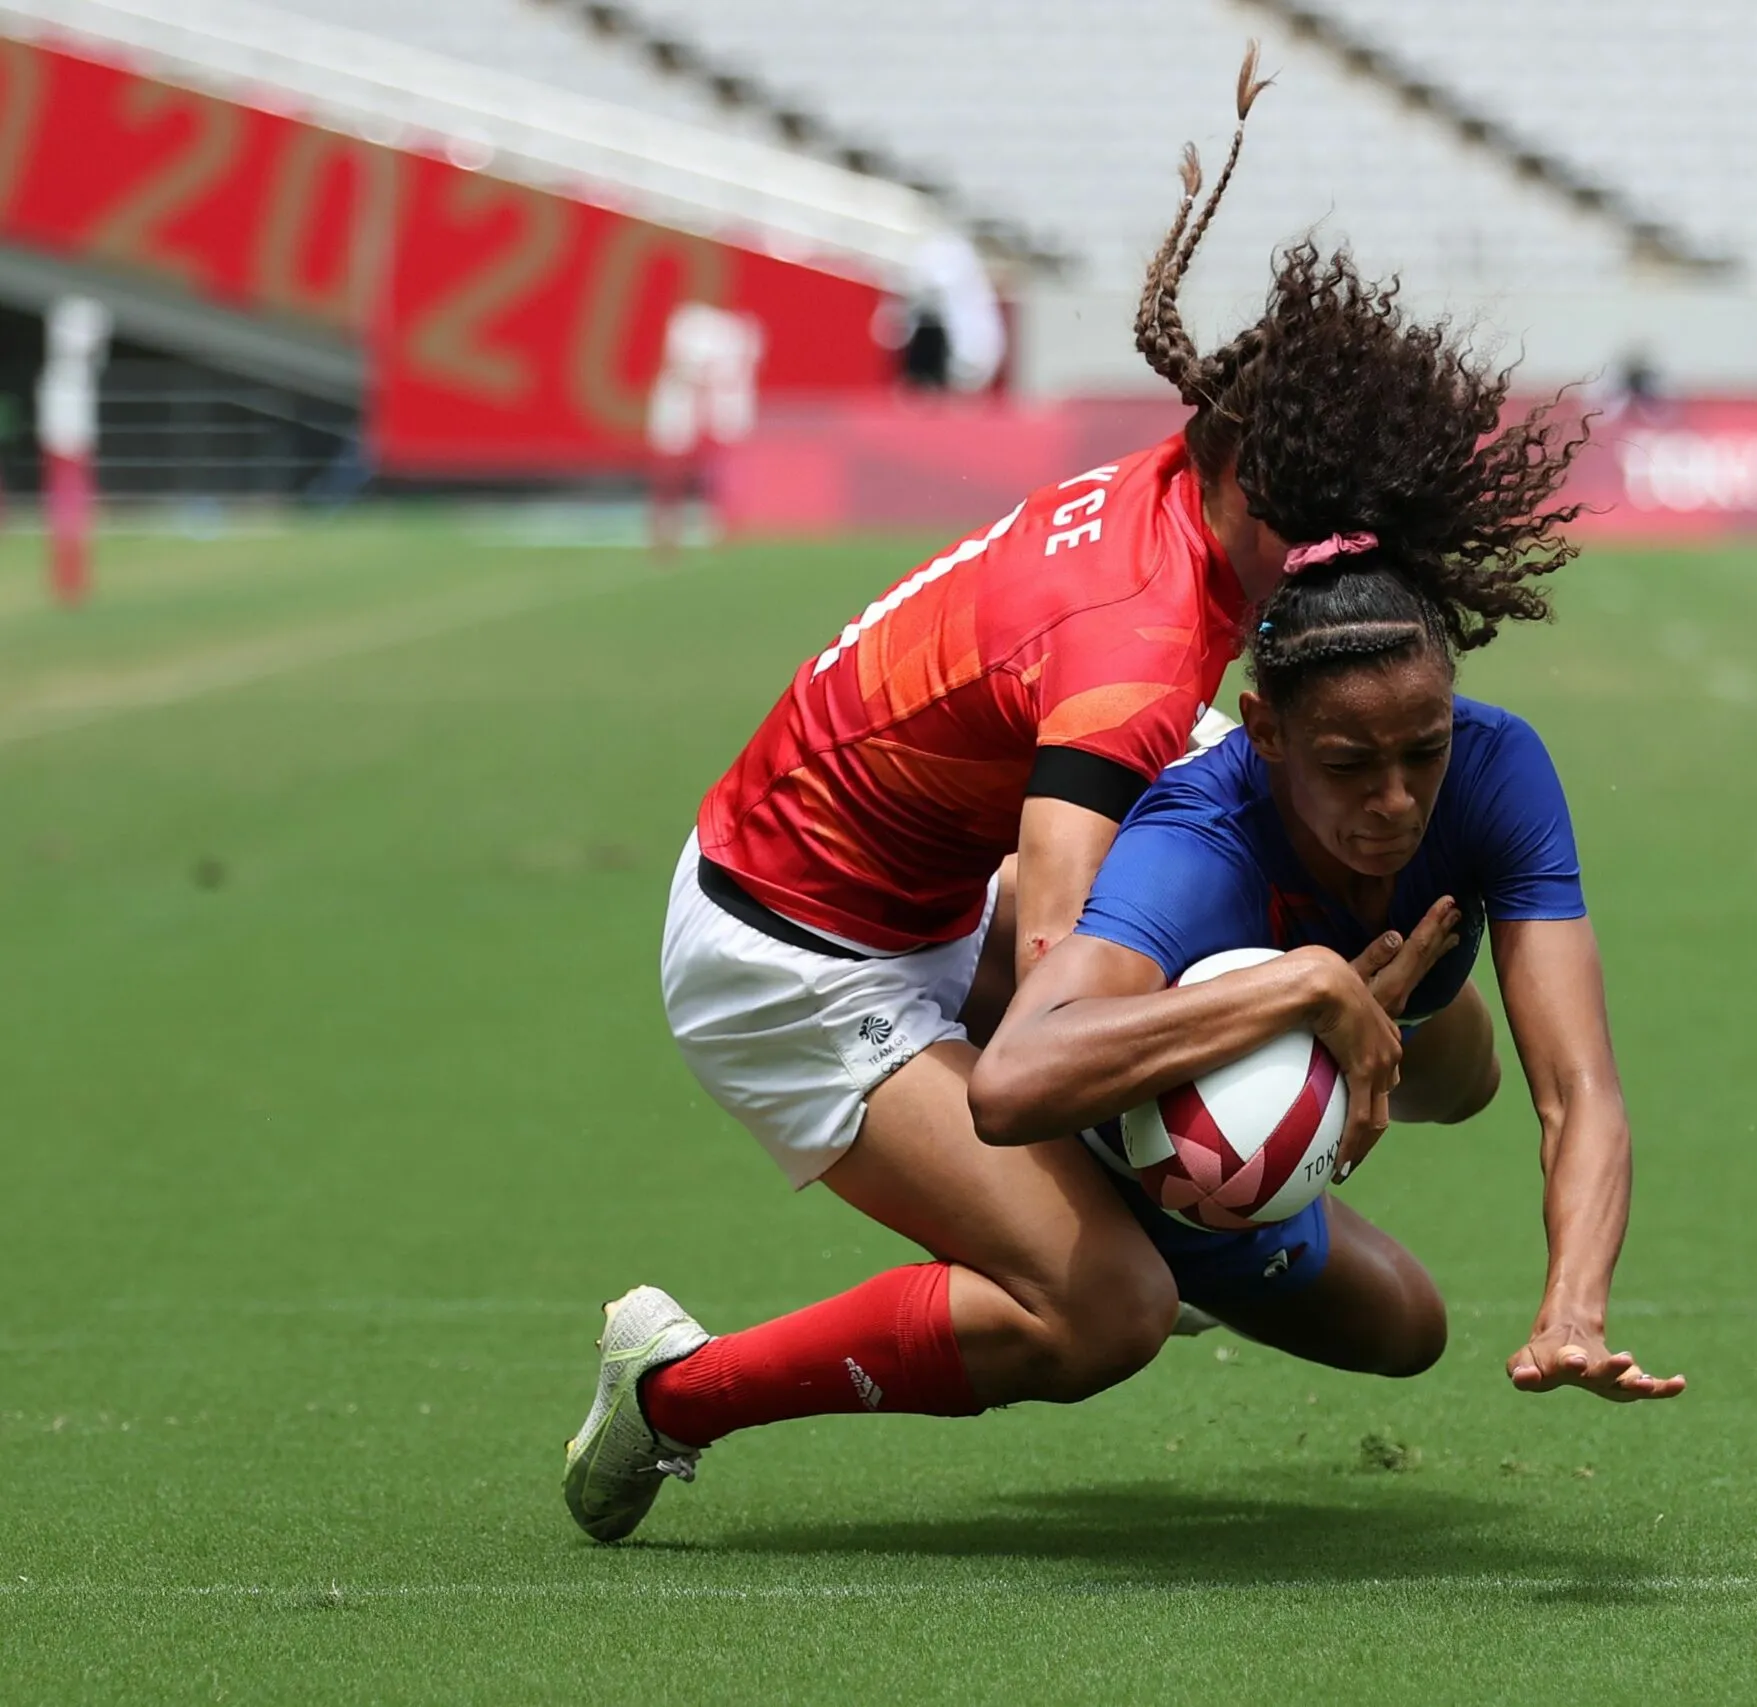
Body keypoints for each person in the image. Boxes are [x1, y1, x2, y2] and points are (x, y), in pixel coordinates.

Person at [563, 47, 1590, 1542]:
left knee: (1392, 1273)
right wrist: (1290, 991)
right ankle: (675, 1391)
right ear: (1241, 471)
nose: (1329, 572)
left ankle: (1166, 1188)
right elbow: (1051, 994)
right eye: (1311, 531)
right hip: (791, 952)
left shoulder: (1190, 501)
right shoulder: (1136, 648)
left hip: (930, 890)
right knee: (1105, 1309)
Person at [969, 551, 1683, 1401]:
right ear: (1265, 730)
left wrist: (1574, 1310)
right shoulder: (1198, 838)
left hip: (1389, 996)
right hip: (1117, 1041)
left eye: (1426, 750)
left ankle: (1322, 1048)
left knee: (1455, 1148)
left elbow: (1578, 1087)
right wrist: (1306, 984)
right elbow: (1009, 1086)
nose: (1397, 800)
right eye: (1349, 765)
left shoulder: (1496, 765)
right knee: (1024, 931)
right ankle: (1062, 1091)